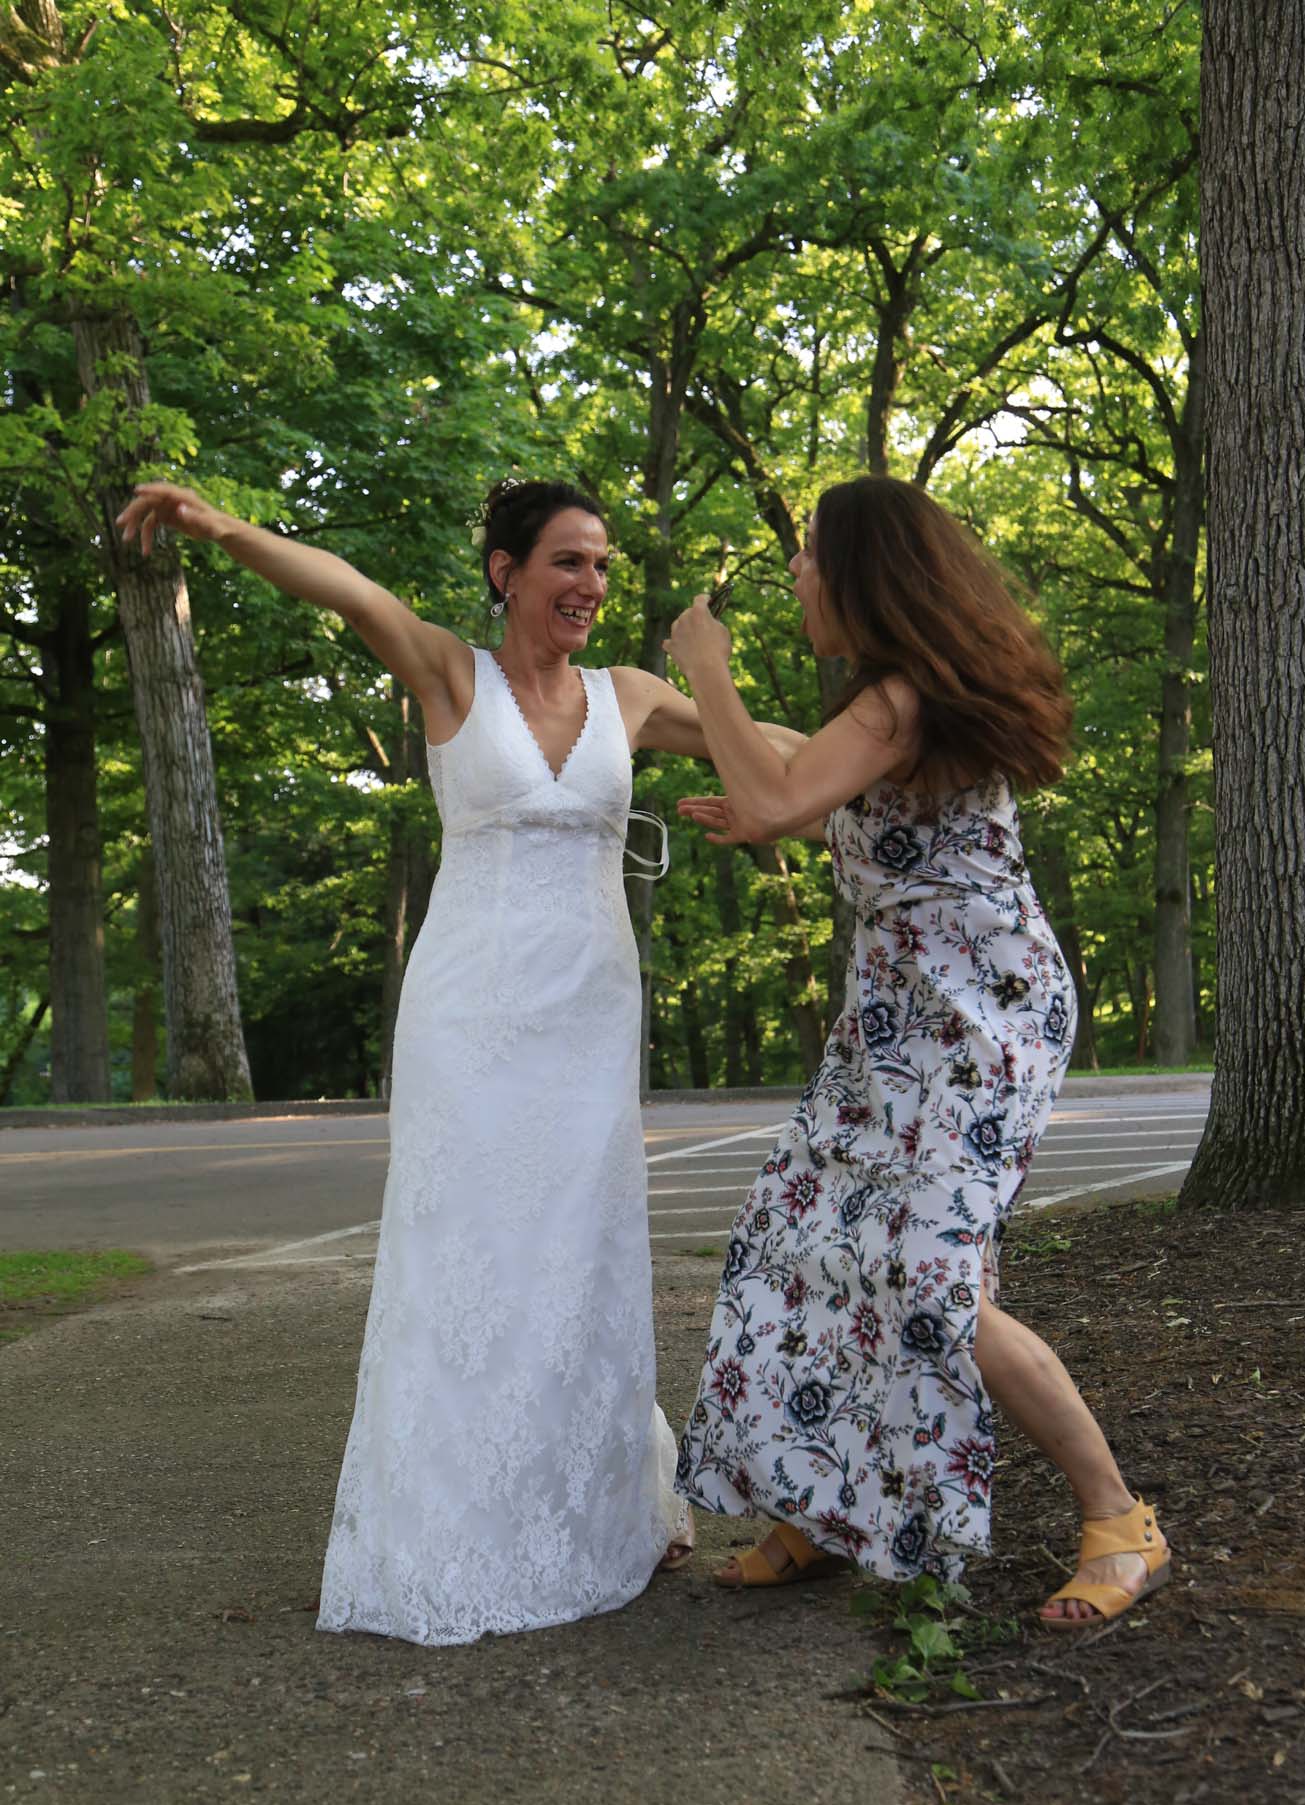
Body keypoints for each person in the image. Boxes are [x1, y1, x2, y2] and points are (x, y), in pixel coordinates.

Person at [115, 475, 799, 1646]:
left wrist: (881, 743)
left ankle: (591, 1508)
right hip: (469, 1016)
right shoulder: (450, 674)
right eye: (568, 561)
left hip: (589, 1017)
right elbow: (350, 594)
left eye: (601, 564)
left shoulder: (629, 695)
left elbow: (773, 751)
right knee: (469, 1252)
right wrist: (223, 528)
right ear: (505, 571)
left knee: (577, 1251)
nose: (590, 583)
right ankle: (454, 1521)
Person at [664, 475, 1170, 1629]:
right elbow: (814, 796)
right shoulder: (888, 704)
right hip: (894, 1028)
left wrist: (705, 666)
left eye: (808, 554)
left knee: (931, 1278)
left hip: (980, 1022)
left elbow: (778, 793)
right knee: (799, 1241)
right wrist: (768, 795)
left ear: (862, 573)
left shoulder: (900, 699)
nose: (797, 573)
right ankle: (827, 1506)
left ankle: (1120, 1518)